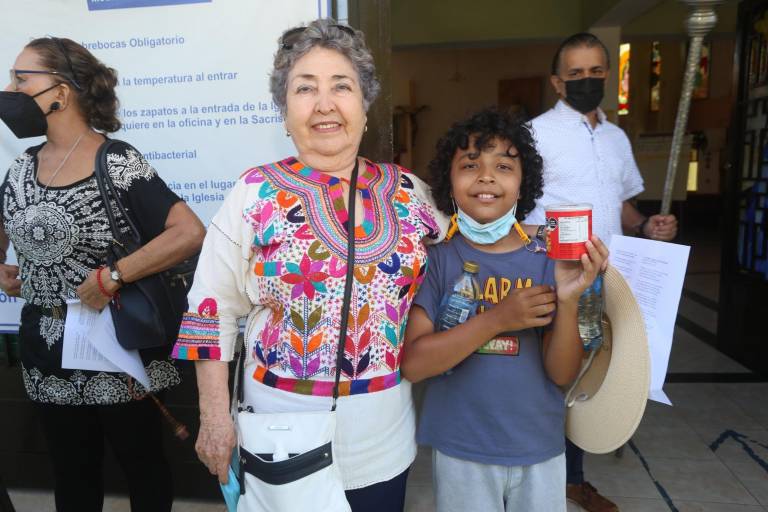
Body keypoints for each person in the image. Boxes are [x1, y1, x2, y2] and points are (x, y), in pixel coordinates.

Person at [171, 19, 444, 512]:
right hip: (281, 436)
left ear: (365, 105)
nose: (325, 104)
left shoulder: (411, 193)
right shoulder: (255, 193)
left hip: (385, 437)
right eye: (305, 89)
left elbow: (475, 252)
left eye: (342, 87)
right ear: (285, 110)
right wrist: (214, 418)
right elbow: (209, 310)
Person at [0, 37, 205, 512]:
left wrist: (114, 275)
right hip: (45, 350)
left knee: (142, 465)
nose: (9, 89)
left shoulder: (115, 160)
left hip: (115, 344)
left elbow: (187, 231)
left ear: (61, 92)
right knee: (71, 472)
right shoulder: (21, 167)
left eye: (20, 79)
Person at [401, 108, 609, 512]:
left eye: (504, 165)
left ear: (523, 183)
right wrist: (498, 319)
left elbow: (562, 373)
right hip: (462, 448)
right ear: (449, 179)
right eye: (470, 165)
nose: (486, 176)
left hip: (540, 447)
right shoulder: (439, 260)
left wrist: (567, 301)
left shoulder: (549, 259)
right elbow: (414, 364)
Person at [525, 32, 679, 512]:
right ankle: (543, 477)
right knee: (555, 378)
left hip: (610, 281)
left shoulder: (616, 137)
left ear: (607, 75)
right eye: (575, 74)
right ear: (557, 81)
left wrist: (648, 224)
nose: (586, 81)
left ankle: (573, 478)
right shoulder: (534, 134)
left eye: (595, 72)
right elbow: (519, 210)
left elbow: (622, 205)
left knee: (592, 378)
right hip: (557, 278)